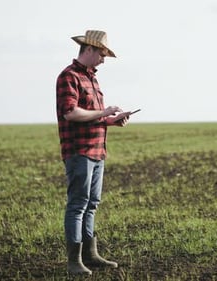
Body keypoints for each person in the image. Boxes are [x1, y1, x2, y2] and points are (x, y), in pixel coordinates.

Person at [56, 29, 130, 276]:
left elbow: (91, 118)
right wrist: (103, 113)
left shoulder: (92, 79)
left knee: (92, 204)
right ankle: (74, 261)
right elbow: (71, 113)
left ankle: (91, 255)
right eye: (102, 53)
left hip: (98, 151)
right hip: (79, 151)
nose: (104, 59)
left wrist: (111, 120)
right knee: (78, 204)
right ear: (88, 49)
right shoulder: (69, 77)